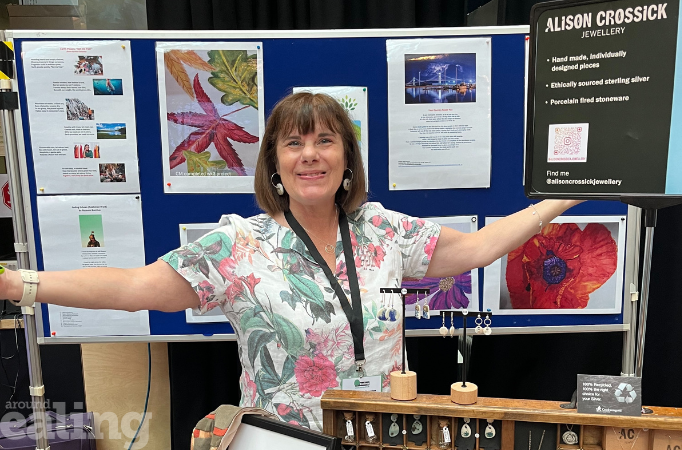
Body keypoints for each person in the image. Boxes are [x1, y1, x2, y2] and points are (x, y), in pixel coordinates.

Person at [0, 93, 580, 431]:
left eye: (326, 140)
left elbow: (481, 247)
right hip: (281, 444)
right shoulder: (236, 249)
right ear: (273, 164)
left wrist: (570, 192)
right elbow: (128, 284)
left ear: (346, 158)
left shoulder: (382, 231)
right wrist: (18, 283)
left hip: (380, 437)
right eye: (293, 144)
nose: (310, 155)